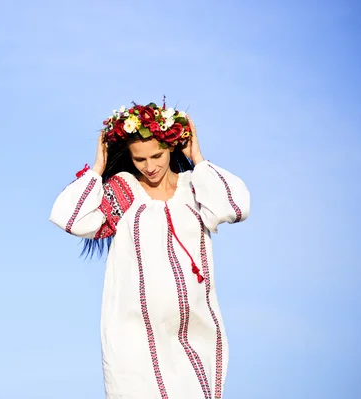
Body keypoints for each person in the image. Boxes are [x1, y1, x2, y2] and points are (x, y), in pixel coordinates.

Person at [49, 101, 250, 399]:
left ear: (171, 147)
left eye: (157, 155)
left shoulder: (195, 187)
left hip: (194, 330)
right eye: (140, 159)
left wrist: (198, 158)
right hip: (136, 335)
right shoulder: (125, 189)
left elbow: (236, 206)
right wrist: (98, 169)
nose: (151, 166)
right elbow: (70, 218)